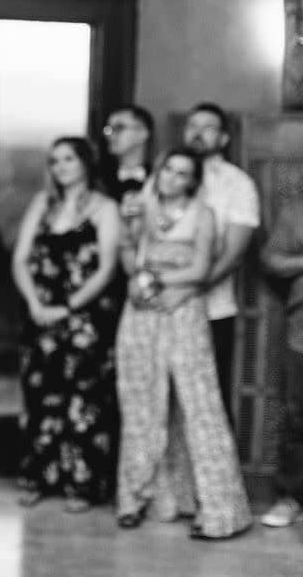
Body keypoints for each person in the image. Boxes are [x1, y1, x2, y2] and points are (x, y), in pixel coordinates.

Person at [114, 147, 252, 540]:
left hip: (184, 309)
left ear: (193, 180)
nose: (173, 178)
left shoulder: (203, 213)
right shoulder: (142, 207)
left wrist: (158, 282)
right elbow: (130, 260)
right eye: (168, 170)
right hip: (141, 311)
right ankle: (137, 497)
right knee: (141, 401)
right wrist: (136, 269)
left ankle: (219, 509)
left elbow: (201, 268)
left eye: (182, 173)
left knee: (198, 403)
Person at [11, 137, 122, 512]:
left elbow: (107, 268)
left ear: (86, 163)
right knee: (40, 397)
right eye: (54, 160)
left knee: (84, 401)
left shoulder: (105, 208)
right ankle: (36, 478)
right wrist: (33, 302)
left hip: (85, 320)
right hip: (39, 317)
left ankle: (82, 485)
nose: (60, 167)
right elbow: (20, 259)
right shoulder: (42, 204)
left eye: (68, 159)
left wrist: (67, 307)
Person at [183, 101, 260, 423]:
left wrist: (190, 289)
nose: (198, 133)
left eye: (208, 127)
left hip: (211, 309)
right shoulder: (167, 176)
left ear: (225, 138)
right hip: (159, 309)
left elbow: (233, 253)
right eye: (192, 126)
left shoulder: (236, 183)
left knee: (207, 403)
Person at [259, 198, 303, 528]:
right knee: (296, 416)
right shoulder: (296, 211)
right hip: (302, 331)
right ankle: (290, 497)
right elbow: (272, 259)